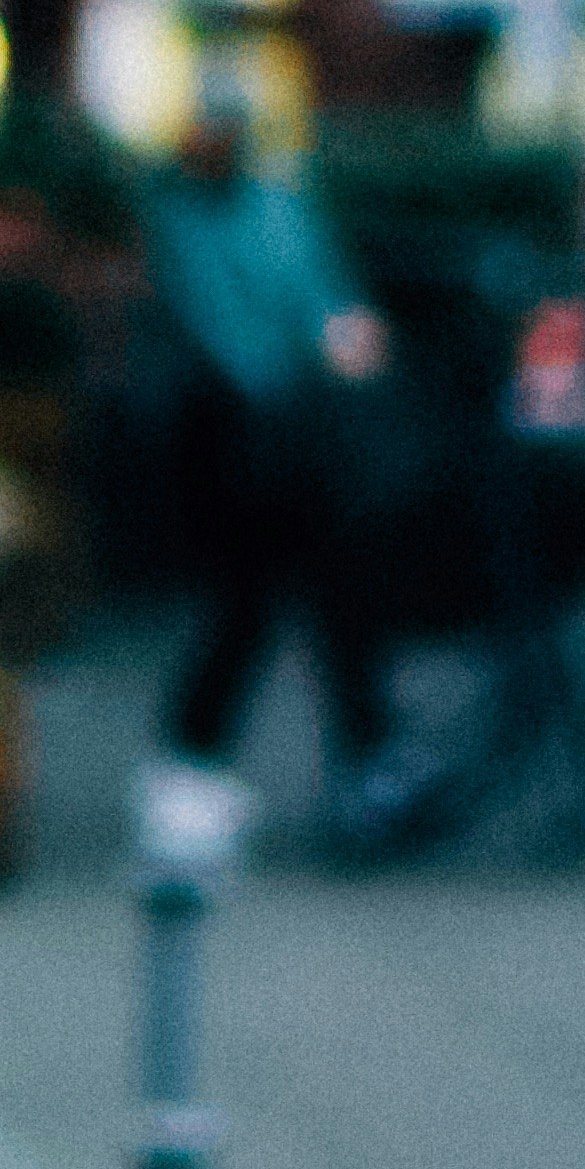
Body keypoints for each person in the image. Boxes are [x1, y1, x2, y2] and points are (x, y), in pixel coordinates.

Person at [137, 101, 417, 850]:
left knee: (331, 600)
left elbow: (325, 291)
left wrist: (343, 329)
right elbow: (219, 327)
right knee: (250, 606)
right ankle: (190, 775)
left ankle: (368, 765)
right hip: (237, 449)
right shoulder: (178, 217)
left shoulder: (278, 204)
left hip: (310, 448)